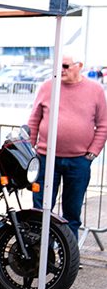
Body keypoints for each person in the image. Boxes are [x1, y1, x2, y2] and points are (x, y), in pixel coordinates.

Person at [27, 53, 107, 240]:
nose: (60, 70)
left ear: (79, 65)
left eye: (64, 66)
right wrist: (30, 150)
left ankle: (69, 251)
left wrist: (92, 152)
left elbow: (103, 124)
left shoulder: (95, 90)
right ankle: (39, 249)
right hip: (45, 158)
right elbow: (34, 120)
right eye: (57, 66)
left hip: (79, 161)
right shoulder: (47, 87)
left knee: (72, 212)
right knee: (41, 209)